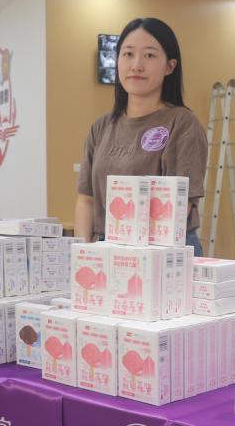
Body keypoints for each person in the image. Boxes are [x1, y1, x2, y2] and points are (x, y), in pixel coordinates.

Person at [75, 17, 208, 255]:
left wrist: (139, 258)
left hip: (165, 251)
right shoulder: (101, 127)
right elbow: (86, 200)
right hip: (109, 248)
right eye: (128, 54)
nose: (136, 65)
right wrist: (83, 254)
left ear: (170, 66)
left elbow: (180, 204)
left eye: (149, 55)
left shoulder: (182, 123)